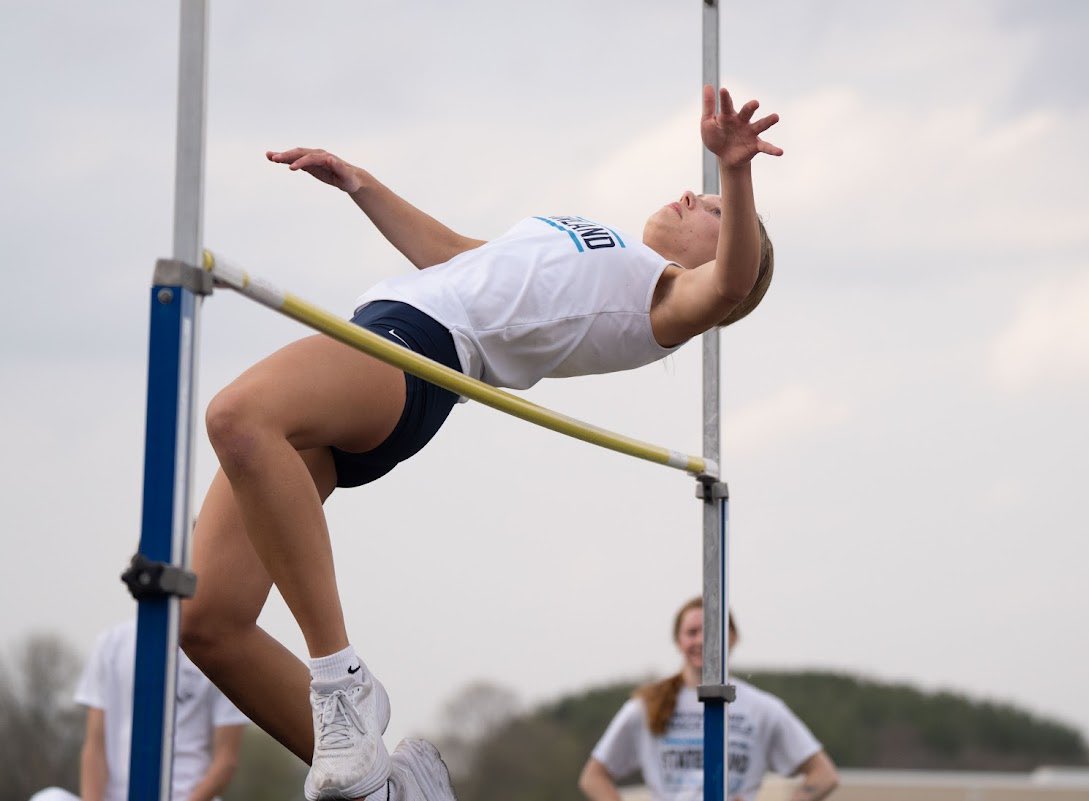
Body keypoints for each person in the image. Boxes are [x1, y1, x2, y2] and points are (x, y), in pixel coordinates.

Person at [178, 85, 782, 801]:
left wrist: (736, 172)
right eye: (706, 192)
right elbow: (455, 257)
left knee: (238, 414)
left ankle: (340, 678)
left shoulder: (668, 298)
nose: (693, 193)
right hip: (382, 340)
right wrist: (361, 185)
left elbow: (731, 280)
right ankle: (385, 784)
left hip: (413, 354)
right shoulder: (607, 248)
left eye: (711, 210)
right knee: (208, 622)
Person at [579, 597, 839, 801]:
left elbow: (824, 775)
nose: (702, 640)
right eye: (692, 632)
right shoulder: (646, 707)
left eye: (712, 630)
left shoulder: (761, 709)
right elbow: (593, 777)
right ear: (678, 641)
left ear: (733, 637)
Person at [29, 618, 247, 801]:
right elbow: (95, 745)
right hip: (115, 797)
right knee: (48, 798)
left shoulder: (217, 653)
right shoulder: (111, 643)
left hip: (186, 796)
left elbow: (226, 760)